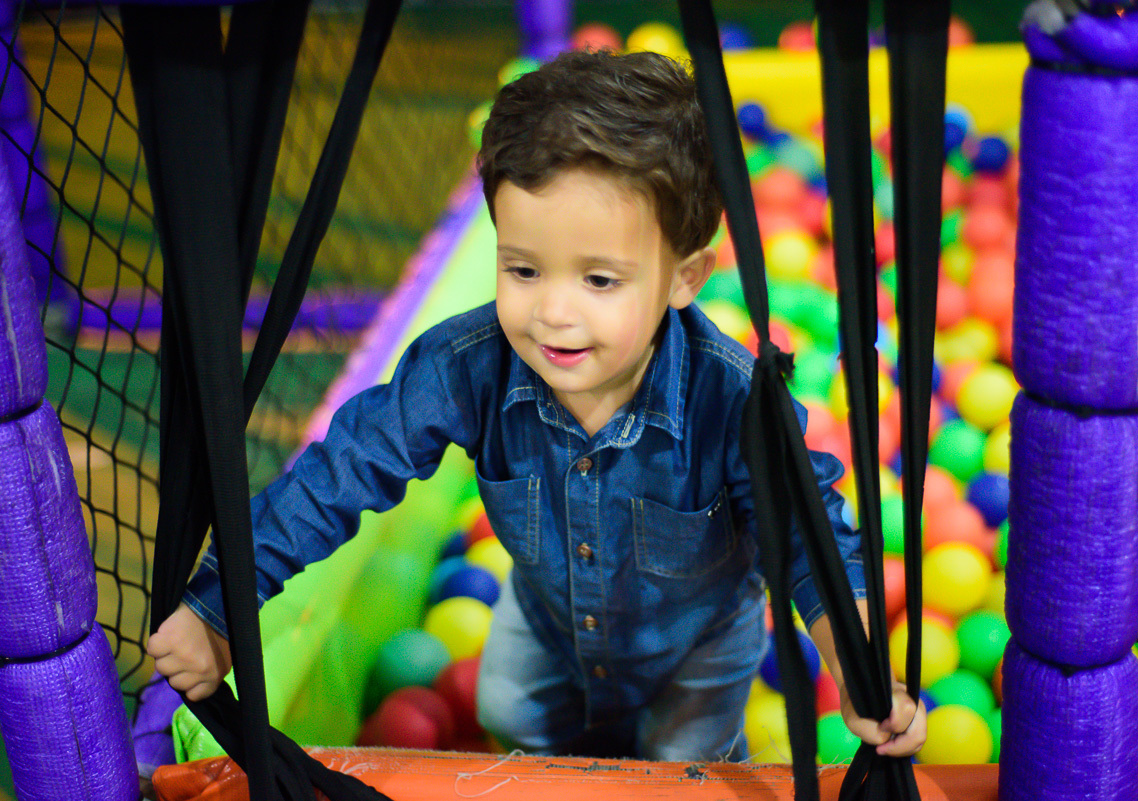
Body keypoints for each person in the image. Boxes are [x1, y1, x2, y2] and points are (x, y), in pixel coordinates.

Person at [148, 49, 926, 762]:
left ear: (685, 277)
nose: (552, 313)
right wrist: (220, 603)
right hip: (551, 621)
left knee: (687, 765)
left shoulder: (732, 399)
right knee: (506, 714)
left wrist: (858, 668)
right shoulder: (467, 365)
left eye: (599, 280)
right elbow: (345, 467)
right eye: (522, 268)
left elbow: (811, 541)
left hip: (699, 643)